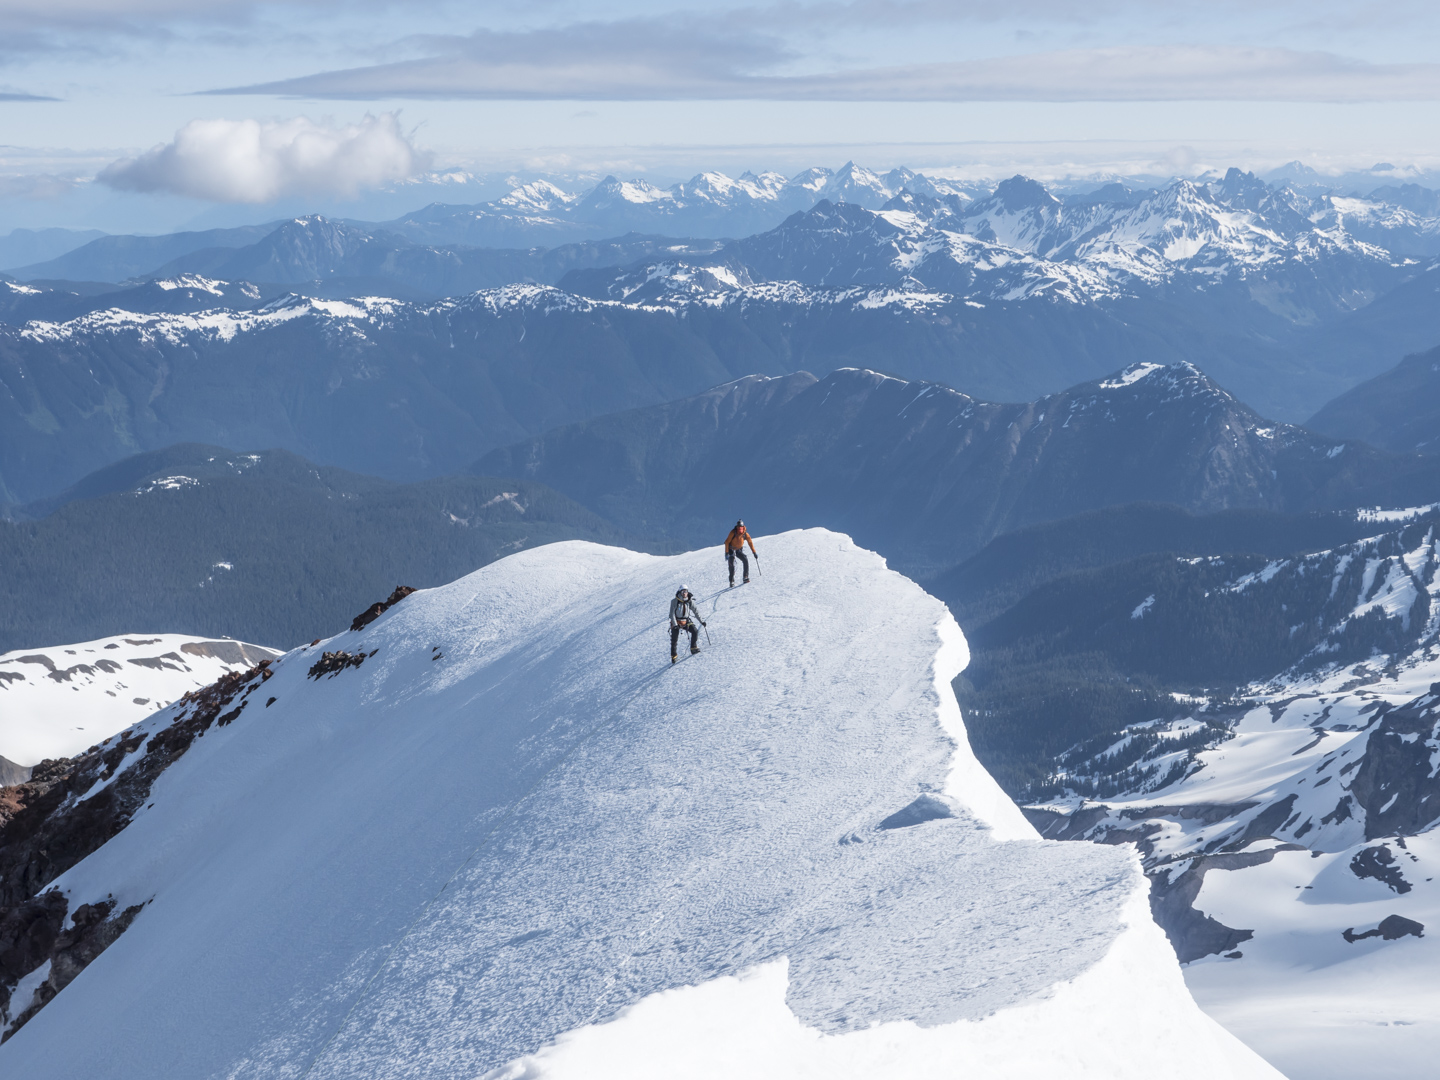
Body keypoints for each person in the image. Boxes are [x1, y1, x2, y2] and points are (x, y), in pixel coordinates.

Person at [669, 587, 705, 663]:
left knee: (695, 631)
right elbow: (671, 614)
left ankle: (693, 648)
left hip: (686, 620)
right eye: (683, 591)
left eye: (686, 591)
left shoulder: (689, 601)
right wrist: (675, 625)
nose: (684, 593)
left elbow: (696, 611)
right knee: (674, 639)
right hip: (677, 621)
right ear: (680, 592)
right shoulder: (674, 601)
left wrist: (702, 621)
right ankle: (674, 656)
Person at [724, 520, 758, 586]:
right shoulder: (733, 533)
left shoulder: (745, 534)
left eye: (741, 528)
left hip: (738, 550)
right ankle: (731, 580)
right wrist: (727, 552)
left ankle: (745, 577)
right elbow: (727, 542)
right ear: (737, 527)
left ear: (743, 527)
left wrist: (754, 552)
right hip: (731, 549)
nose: (740, 529)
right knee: (731, 564)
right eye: (739, 527)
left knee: (745, 559)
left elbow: (750, 543)